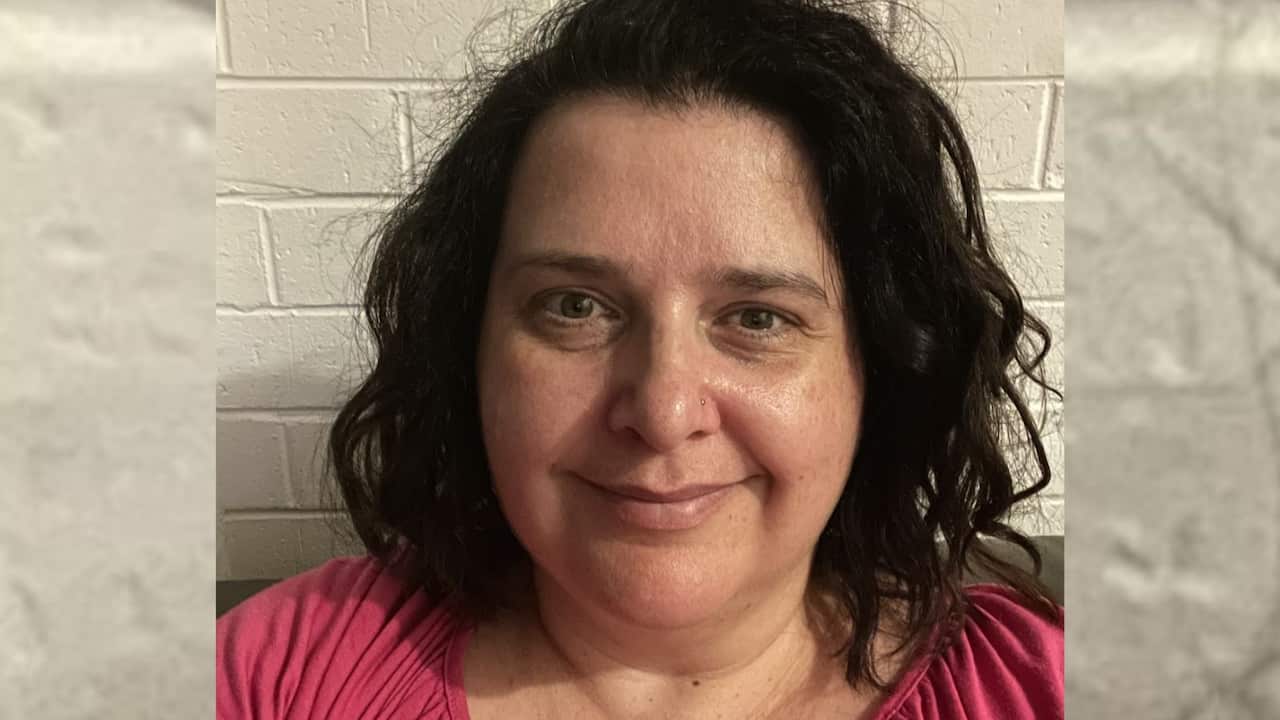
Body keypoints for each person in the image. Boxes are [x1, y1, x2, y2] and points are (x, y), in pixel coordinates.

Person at [217, 0, 1064, 717]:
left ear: (874, 368)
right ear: (467, 352)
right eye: (575, 307)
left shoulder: (1046, 687)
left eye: (757, 318)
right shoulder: (274, 676)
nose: (662, 412)